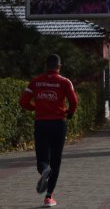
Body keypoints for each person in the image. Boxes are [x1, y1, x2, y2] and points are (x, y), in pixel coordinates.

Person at [19, 54, 78, 207]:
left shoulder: (36, 82)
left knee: (42, 158)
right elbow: (73, 101)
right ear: (60, 66)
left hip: (41, 123)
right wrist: (69, 113)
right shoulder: (65, 82)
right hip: (59, 123)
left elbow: (23, 101)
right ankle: (48, 197)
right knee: (56, 160)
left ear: (45, 66)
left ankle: (44, 169)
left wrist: (35, 108)